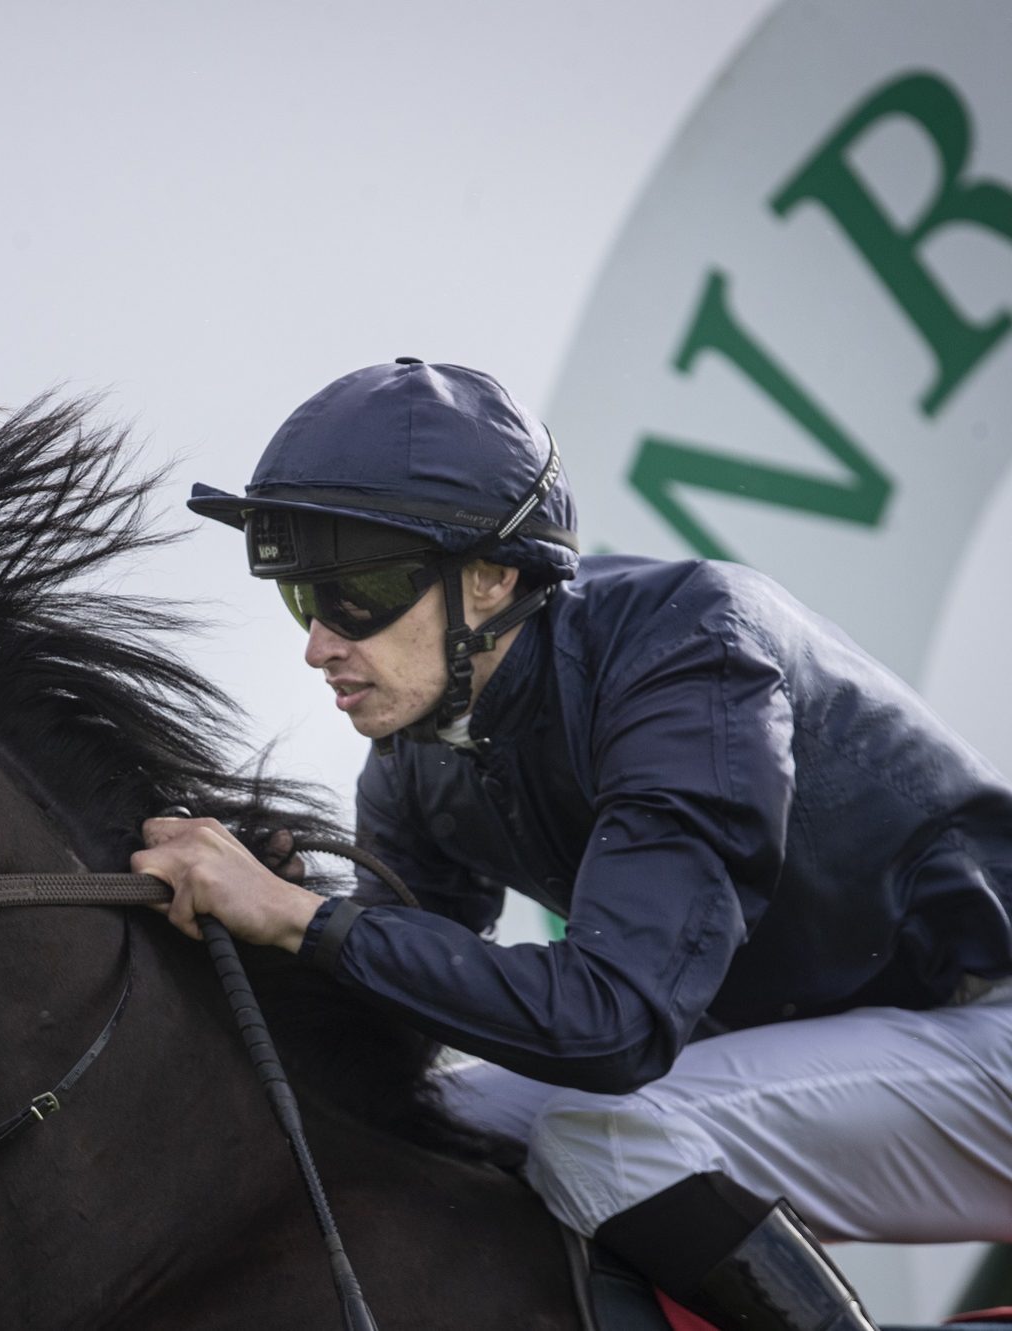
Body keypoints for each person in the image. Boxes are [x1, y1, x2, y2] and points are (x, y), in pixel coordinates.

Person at [133, 358, 1012, 1331]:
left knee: (608, 1137)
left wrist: (305, 919)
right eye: (306, 598)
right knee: (418, 1132)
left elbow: (615, 1023)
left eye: (359, 592)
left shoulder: (692, 650)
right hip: (847, 1043)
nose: (319, 644)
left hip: (990, 1027)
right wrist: (272, 936)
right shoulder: (418, 746)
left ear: (493, 574)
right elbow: (391, 1022)